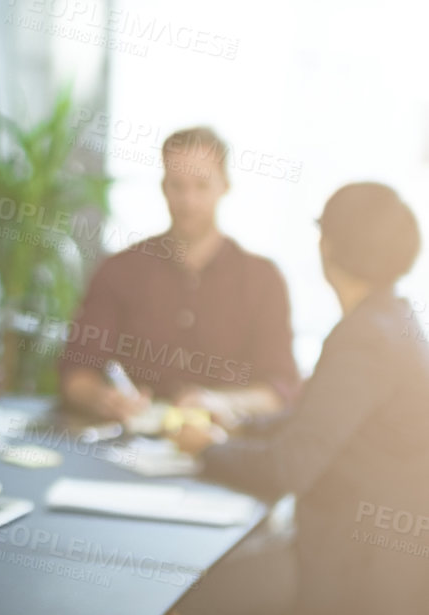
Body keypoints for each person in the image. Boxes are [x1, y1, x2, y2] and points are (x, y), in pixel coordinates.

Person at [167, 182, 429, 615]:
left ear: (329, 246)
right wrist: (233, 425)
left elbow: (291, 467)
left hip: (353, 575)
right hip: (388, 570)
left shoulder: (364, 336)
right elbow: (320, 424)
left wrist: (205, 449)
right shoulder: (392, 320)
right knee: (230, 586)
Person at [60, 126, 299, 429]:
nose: (188, 201)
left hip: (226, 453)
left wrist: (222, 403)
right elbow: (76, 371)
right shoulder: (120, 271)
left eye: (201, 186)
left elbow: (281, 389)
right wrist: (101, 398)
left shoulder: (263, 280)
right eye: (178, 186)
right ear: (163, 187)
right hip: (125, 447)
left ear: (225, 185)